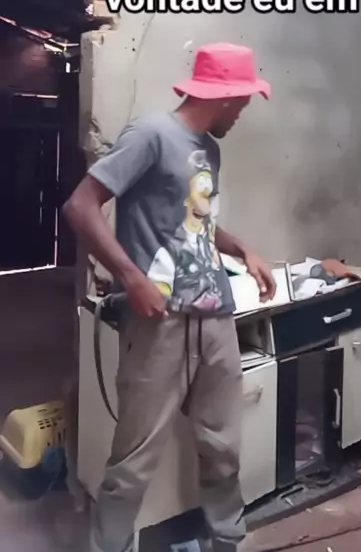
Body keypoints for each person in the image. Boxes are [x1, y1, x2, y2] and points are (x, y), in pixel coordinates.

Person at [63, 42, 277, 552]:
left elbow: (197, 225)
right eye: (242, 102)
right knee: (132, 465)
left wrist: (242, 248)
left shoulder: (209, 149)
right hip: (160, 325)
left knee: (223, 449)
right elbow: (80, 207)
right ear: (224, 97)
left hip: (215, 320)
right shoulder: (151, 135)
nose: (243, 112)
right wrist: (131, 277)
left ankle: (226, 541)